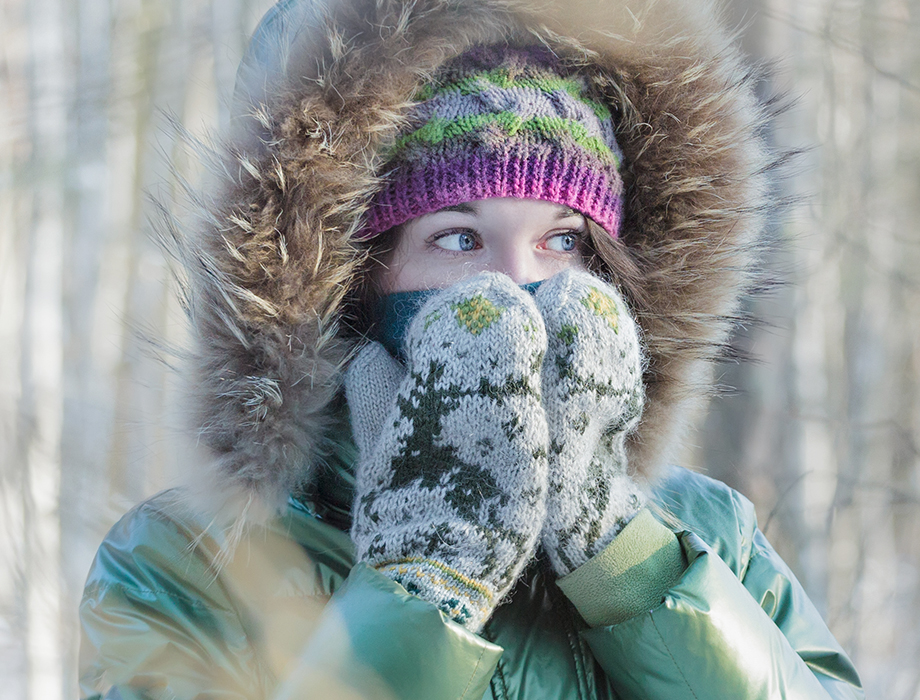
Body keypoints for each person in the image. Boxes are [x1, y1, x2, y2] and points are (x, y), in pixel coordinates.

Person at [78, 0, 865, 698]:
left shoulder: (707, 537)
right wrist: (421, 584)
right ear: (352, 271)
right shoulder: (185, 565)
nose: (521, 288)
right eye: (459, 238)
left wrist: (629, 567)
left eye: (563, 241)